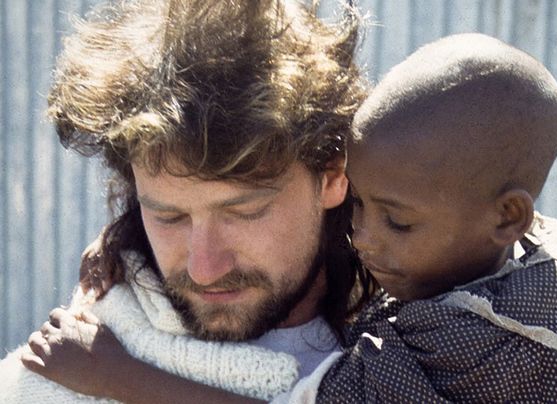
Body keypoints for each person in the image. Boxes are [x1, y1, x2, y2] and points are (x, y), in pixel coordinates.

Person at [18, 33, 557, 403]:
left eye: (248, 209)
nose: (362, 236)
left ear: (509, 216)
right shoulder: (501, 242)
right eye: (171, 215)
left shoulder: (479, 343)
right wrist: (130, 233)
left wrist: (118, 375)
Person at [0, 0, 373, 402]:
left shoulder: (412, 343)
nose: (204, 271)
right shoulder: (63, 367)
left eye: (244, 212)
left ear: (333, 176)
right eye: (169, 216)